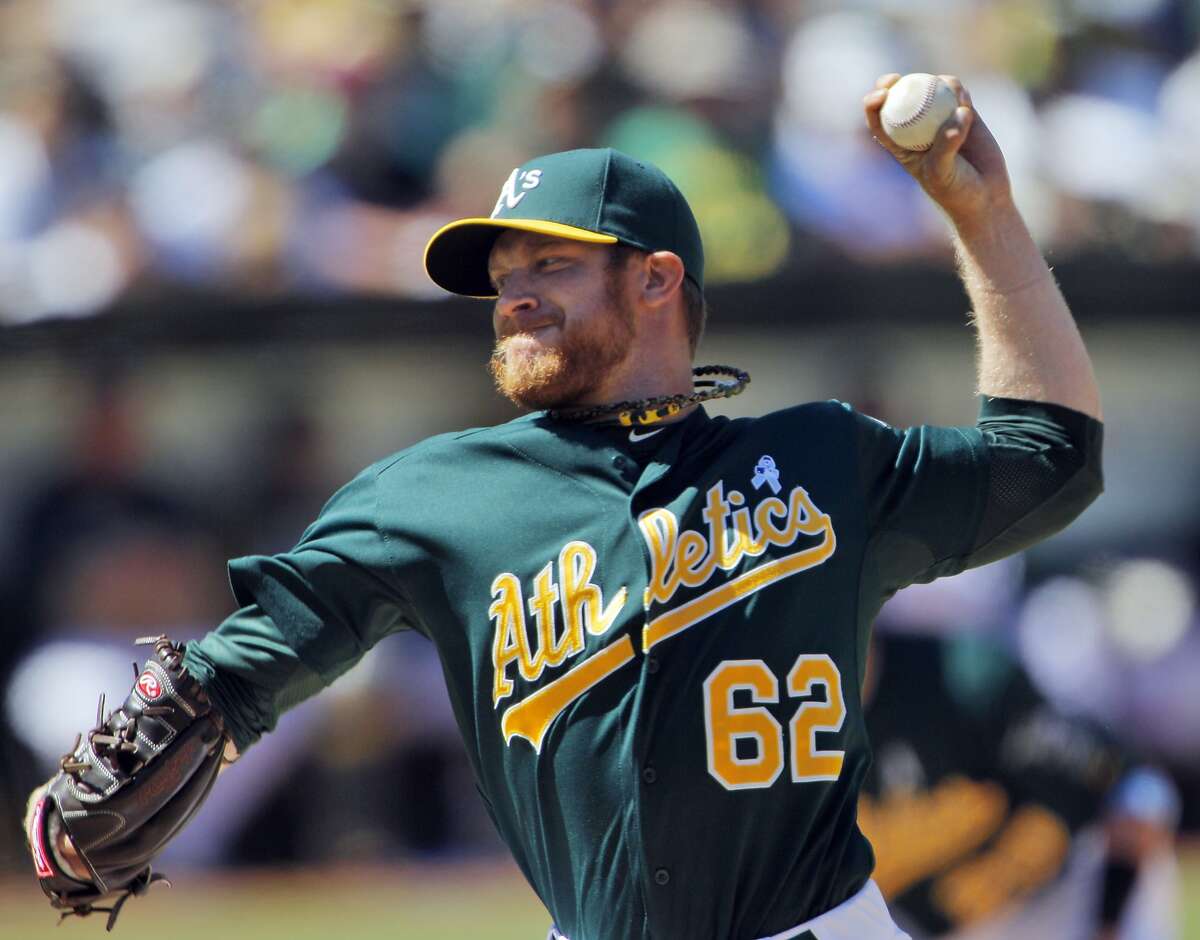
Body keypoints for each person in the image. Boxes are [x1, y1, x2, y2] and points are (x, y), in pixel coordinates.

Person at [26, 73, 1104, 940]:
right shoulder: (434, 494)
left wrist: (985, 214)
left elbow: (1050, 455)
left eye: (551, 261)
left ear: (657, 281)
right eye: (502, 273)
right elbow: (250, 662)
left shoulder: (821, 457)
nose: (515, 293)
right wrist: (180, 717)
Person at [861, 628, 1180, 940]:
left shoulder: (950, 677)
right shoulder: (815, 745)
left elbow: (1136, 790)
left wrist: (1109, 921)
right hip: (960, 927)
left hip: (1073, 890)